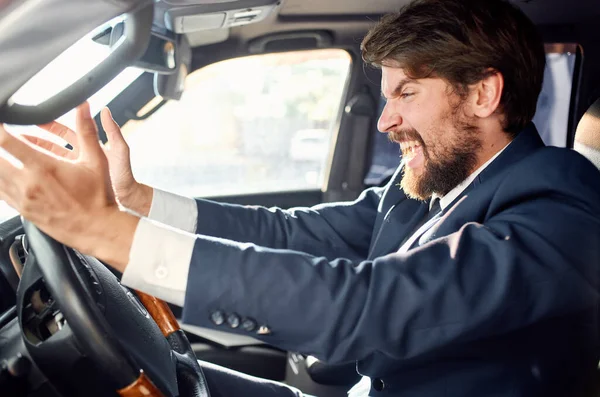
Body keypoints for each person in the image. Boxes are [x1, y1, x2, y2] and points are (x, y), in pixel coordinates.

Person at [1, 0, 600, 395]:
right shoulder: (434, 180)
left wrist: (110, 235)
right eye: (385, 94)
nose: (387, 120)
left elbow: (373, 304)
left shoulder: (564, 207)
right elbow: (292, 233)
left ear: (483, 96)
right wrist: (135, 203)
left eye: (408, 93)